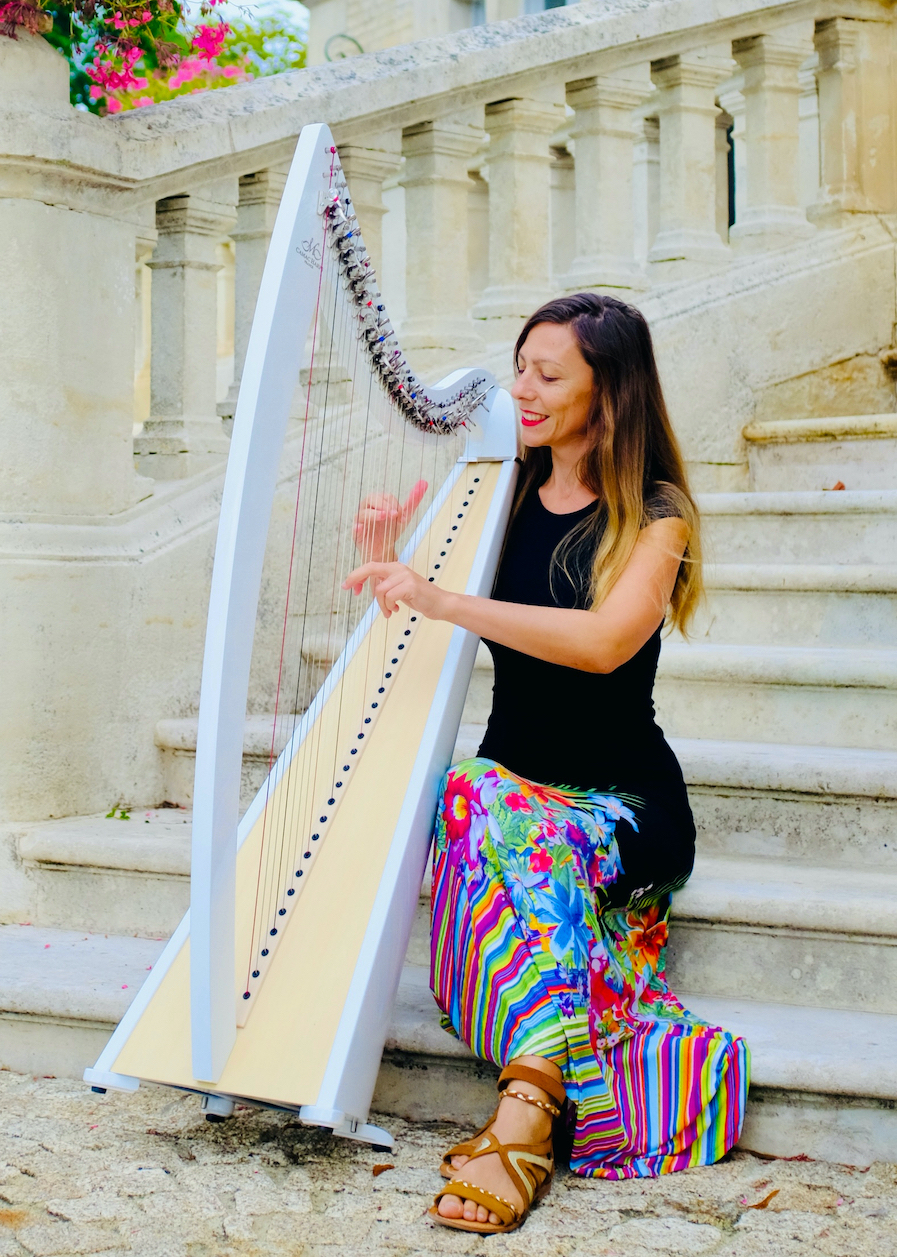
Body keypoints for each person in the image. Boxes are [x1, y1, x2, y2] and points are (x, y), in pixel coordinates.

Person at [345, 293, 749, 1237]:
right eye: (519, 366)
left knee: (474, 800)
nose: (519, 389)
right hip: (511, 801)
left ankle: (523, 1112)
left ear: (606, 393)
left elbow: (605, 642)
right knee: (471, 800)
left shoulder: (656, 516)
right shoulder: (499, 493)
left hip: (620, 807)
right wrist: (385, 563)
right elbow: (421, 640)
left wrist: (443, 597)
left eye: (547, 374)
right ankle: (548, 1084)